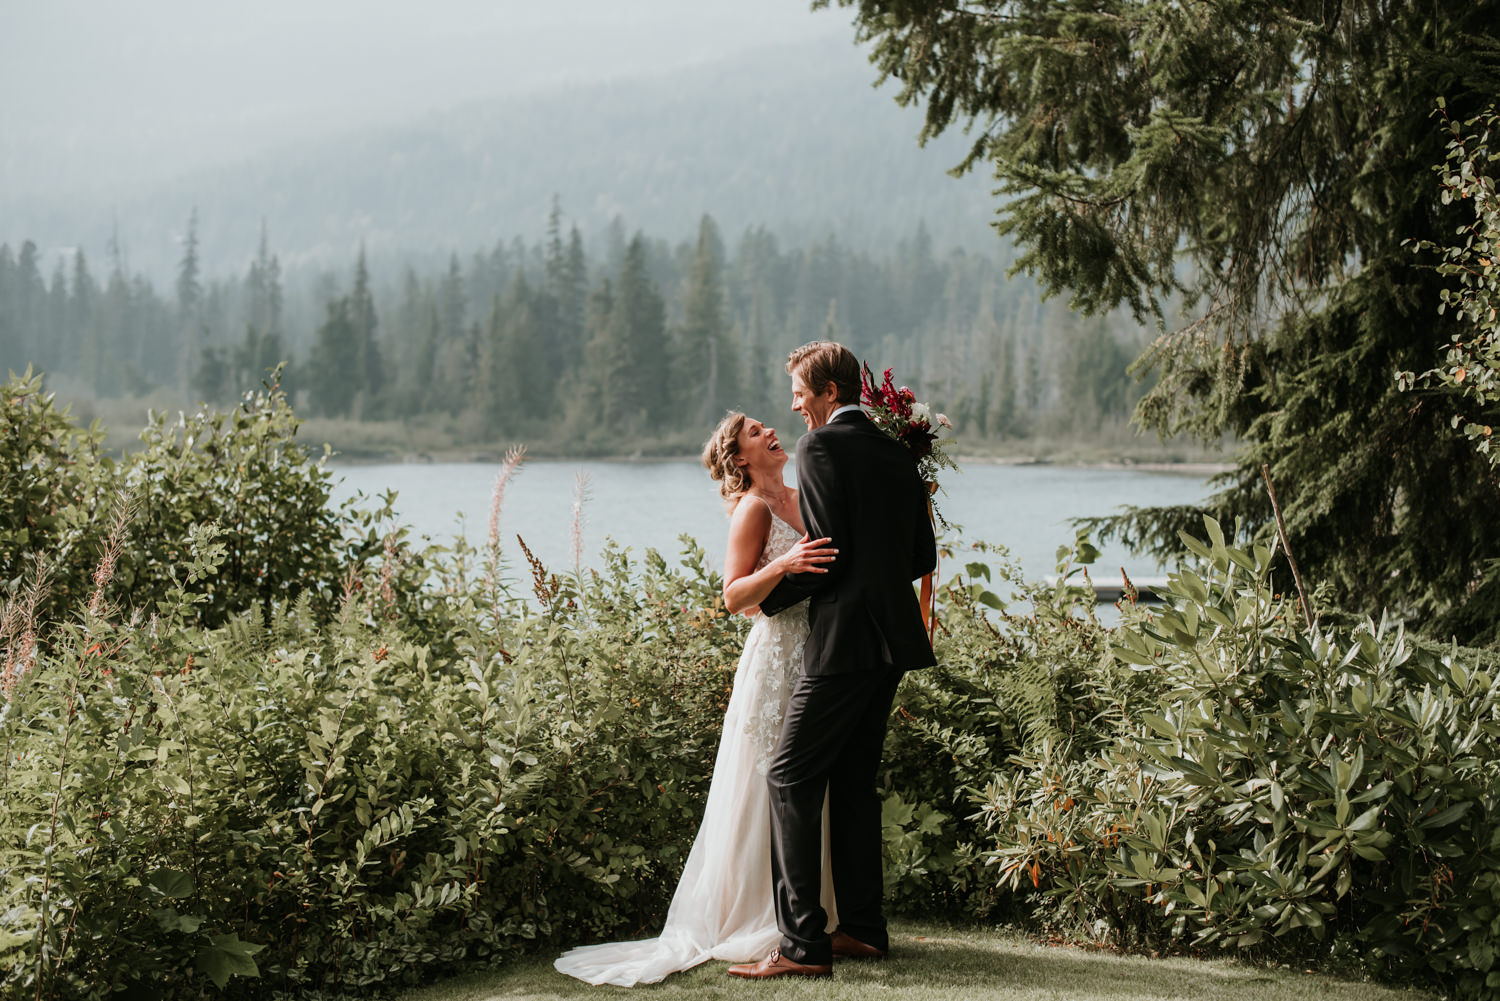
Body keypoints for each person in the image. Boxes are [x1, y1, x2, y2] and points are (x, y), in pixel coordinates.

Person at [553, 411, 840, 986]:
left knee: (809, 779)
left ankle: (811, 914)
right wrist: (782, 563)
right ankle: (759, 914)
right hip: (776, 654)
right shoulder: (755, 509)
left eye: (765, 426)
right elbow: (734, 596)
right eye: (755, 433)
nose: (770, 433)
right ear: (739, 458)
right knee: (766, 779)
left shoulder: (805, 494)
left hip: (816, 647)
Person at [727, 341, 937, 980]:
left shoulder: (821, 448)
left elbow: (824, 553)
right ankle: (865, 931)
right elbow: (921, 559)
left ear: (828, 392)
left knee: (789, 776)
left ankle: (801, 945)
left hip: (843, 640)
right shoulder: (899, 454)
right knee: (851, 783)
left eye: (799, 391)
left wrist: (770, 601)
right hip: (893, 641)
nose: (794, 406)